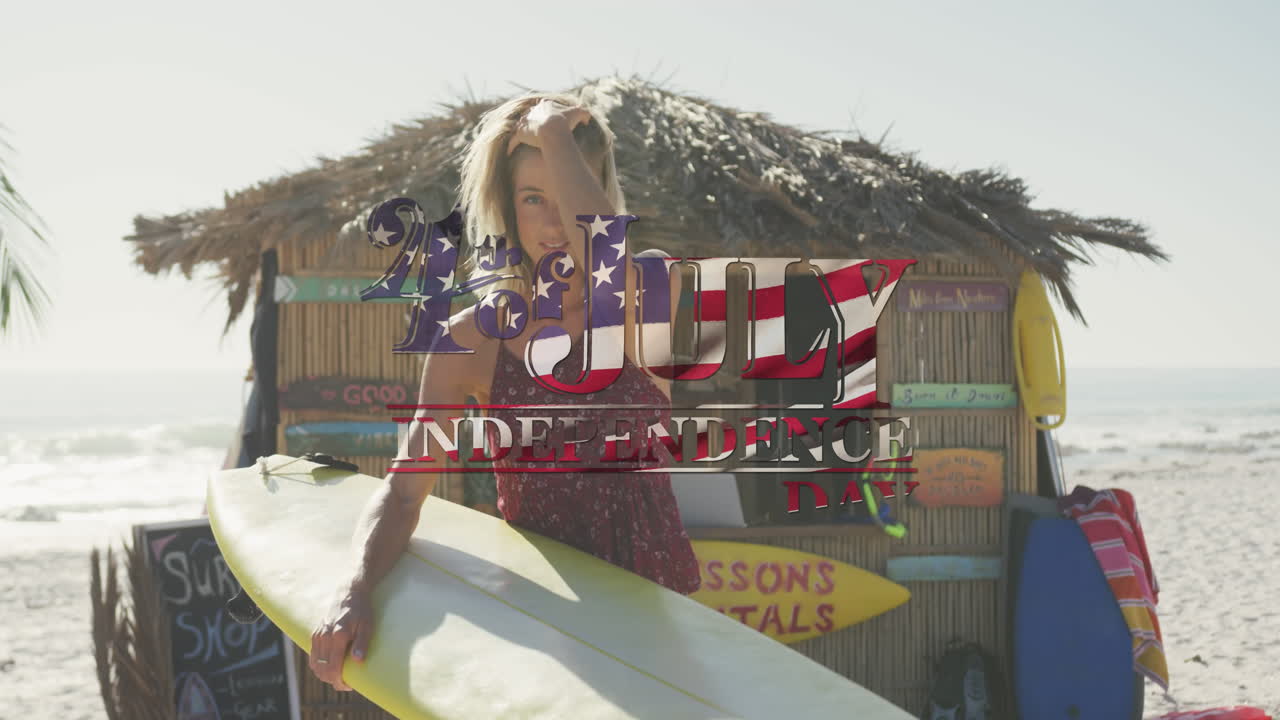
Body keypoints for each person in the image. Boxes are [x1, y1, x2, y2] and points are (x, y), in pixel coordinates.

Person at [308, 92, 702, 692]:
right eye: (532, 199)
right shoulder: (470, 340)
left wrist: (547, 127)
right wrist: (354, 585)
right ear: (505, 209)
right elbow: (405, 493)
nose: (552, 224)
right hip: (545, 618)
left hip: (654, 613)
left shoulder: (646, 287)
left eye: (567, 195)